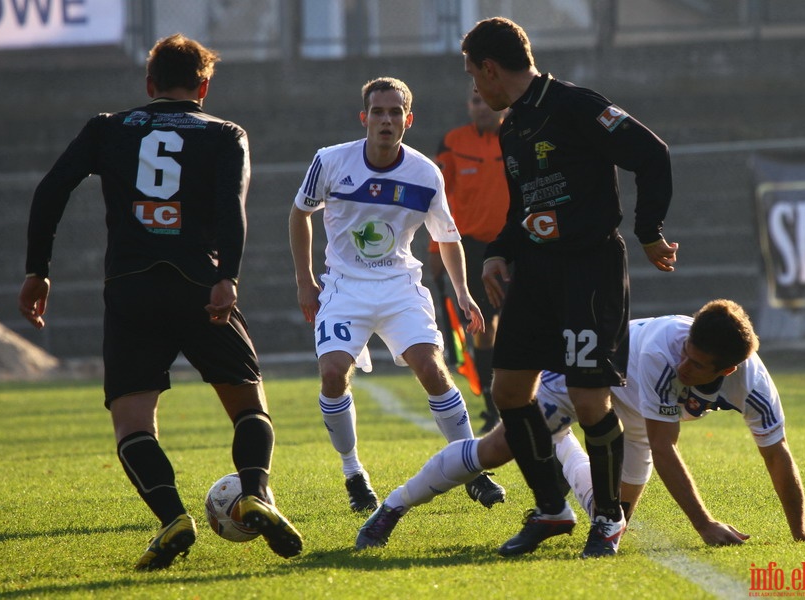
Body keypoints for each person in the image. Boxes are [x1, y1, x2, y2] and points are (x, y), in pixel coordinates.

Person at [18, 34, 302, 570]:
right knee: (248, 406)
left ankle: (172, 516)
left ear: (149, 84)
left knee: (133, 423)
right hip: (201, 286)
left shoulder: (108, 127)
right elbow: (232, 208)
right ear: (204, 86)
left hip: (131, 289)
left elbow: (51, 189)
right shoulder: (225, 133)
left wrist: (39, 271)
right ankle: (255, 495)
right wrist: (228, 279)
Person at [461, 17, 679, 558]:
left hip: (588, 268)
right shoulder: (512, 127)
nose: (476, 88)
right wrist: (498, 253)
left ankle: (607, 518)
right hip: (535, 275)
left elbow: (653, 154)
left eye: (473, 74)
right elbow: (524, 208)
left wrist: (649, 232)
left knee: (587, 398)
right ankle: (553, 508)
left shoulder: (577, 105)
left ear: (490, 68)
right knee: (509, 391)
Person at [356, 300, 805, 551]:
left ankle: (557, 446)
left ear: (726, 372)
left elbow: (776, 454)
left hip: (636, 414)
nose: (685, 364)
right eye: (687, 350)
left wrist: (798, 530)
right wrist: (704, 524)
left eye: (698, 365)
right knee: (497, 450)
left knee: (613, 518)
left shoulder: (755, 387)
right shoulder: (665, 351)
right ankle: (393, 507)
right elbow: (666, 447)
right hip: (583, 380)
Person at [288, 76, 505, 515]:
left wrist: (463, 292)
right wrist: (305, 280)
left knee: (431, 367)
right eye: (378, 112)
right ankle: (353, 473)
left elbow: (447, 237)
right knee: (333, 374)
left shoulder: (425, 173)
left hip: (399, 285)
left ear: (408, 119)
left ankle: (472, 468)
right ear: (363, 117)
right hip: (344, 287)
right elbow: (299, 214)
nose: (386, 120)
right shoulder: (330, 162)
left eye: (394, 113)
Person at [429, 88, 509, 435]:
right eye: (474, 100)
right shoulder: (453, 142)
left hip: (517, 246)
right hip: (474, 250)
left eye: (485, 99)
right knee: (483, 327)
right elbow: (440, 202)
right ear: (468, 105)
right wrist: (436, 251)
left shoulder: (520, 136)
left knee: (519, 323)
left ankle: (527, 397)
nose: (481, 106)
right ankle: (492, 404)